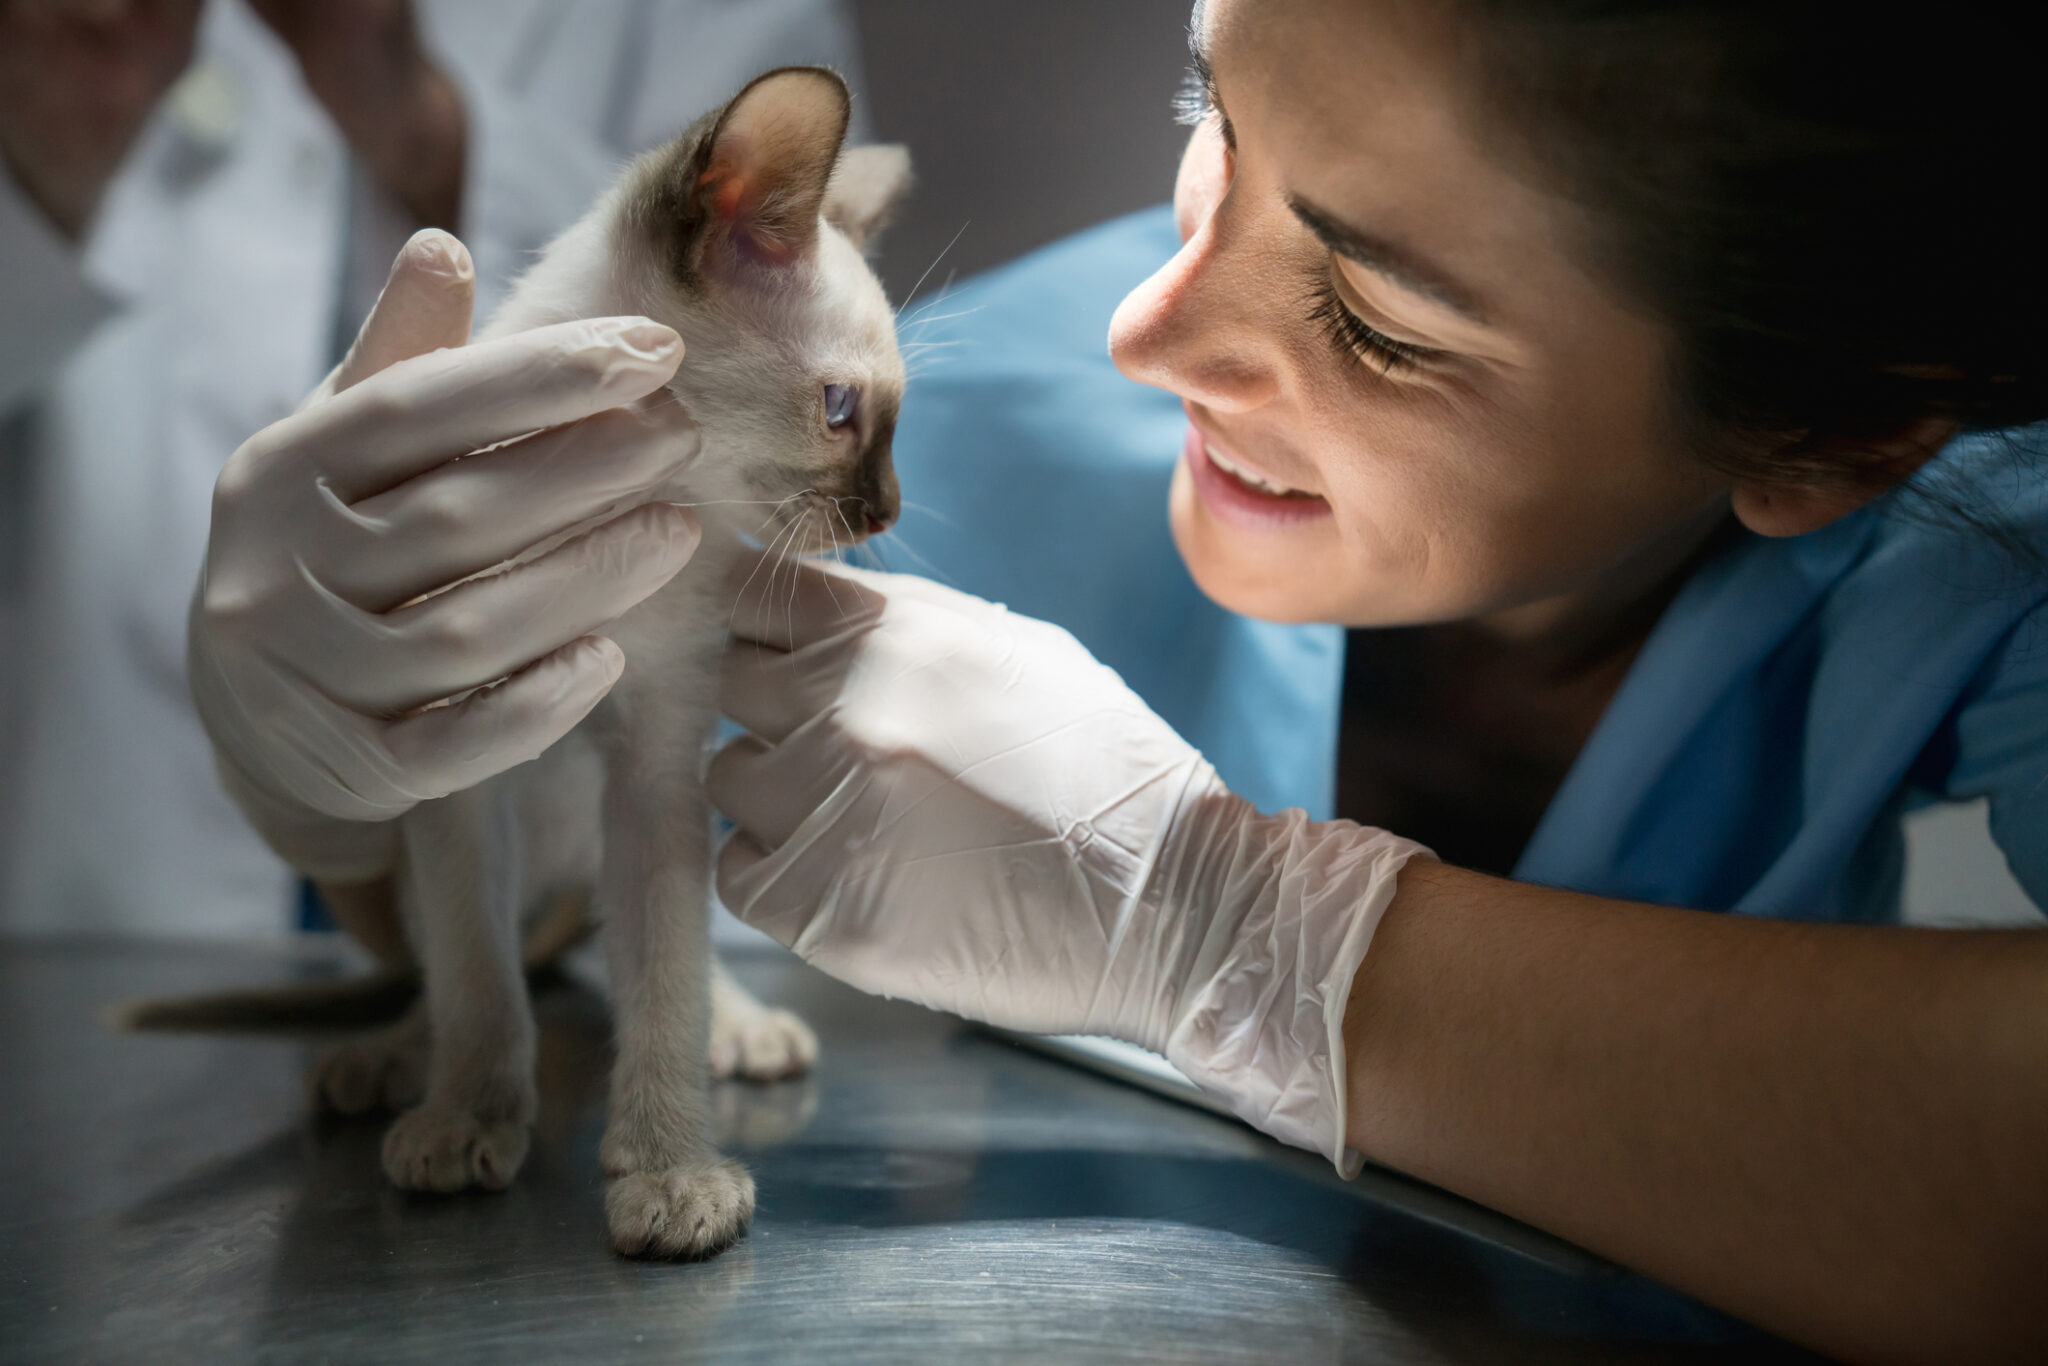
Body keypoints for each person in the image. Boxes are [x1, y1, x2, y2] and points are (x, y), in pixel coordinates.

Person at [180, 0, 2046, 1359]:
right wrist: (323, 759)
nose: (1150, 330)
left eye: (1376, 322)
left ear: (1834, 438)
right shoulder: (979, 419)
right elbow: (511, 851)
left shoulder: (1983, 539)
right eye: (1209, 112)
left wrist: (1233, 926)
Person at [0, 0, 863, 936]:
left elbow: (802, 361)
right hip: (115, 849)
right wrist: (49, 164)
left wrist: (421, 127)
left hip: (587, 876)